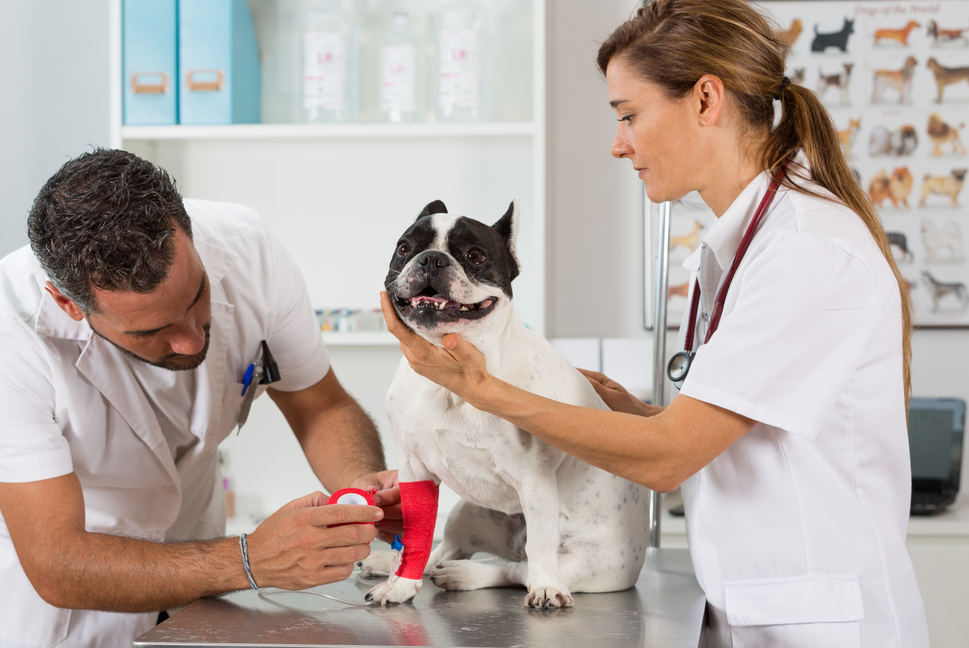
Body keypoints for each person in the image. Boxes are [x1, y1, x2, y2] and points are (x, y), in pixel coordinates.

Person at [378, 0, 930, 645]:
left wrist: (483, 391)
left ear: (705, 100)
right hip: (754, 605)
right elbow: (736, 440)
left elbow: (672, 458)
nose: (618, 144)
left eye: (629, 115)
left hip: (823, 623)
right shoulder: (742, 246)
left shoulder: (806, 250)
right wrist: (627, 416)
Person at [0, 149, 401, 648]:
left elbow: (320, 405)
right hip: (63, 622)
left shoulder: (249, 249)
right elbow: (56, 561)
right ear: (68, 304)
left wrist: (360, 491)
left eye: (196, 299)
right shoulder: (0, 338)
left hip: (198, 596)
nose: (192, 342)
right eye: (152, 331)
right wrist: (252, 559)